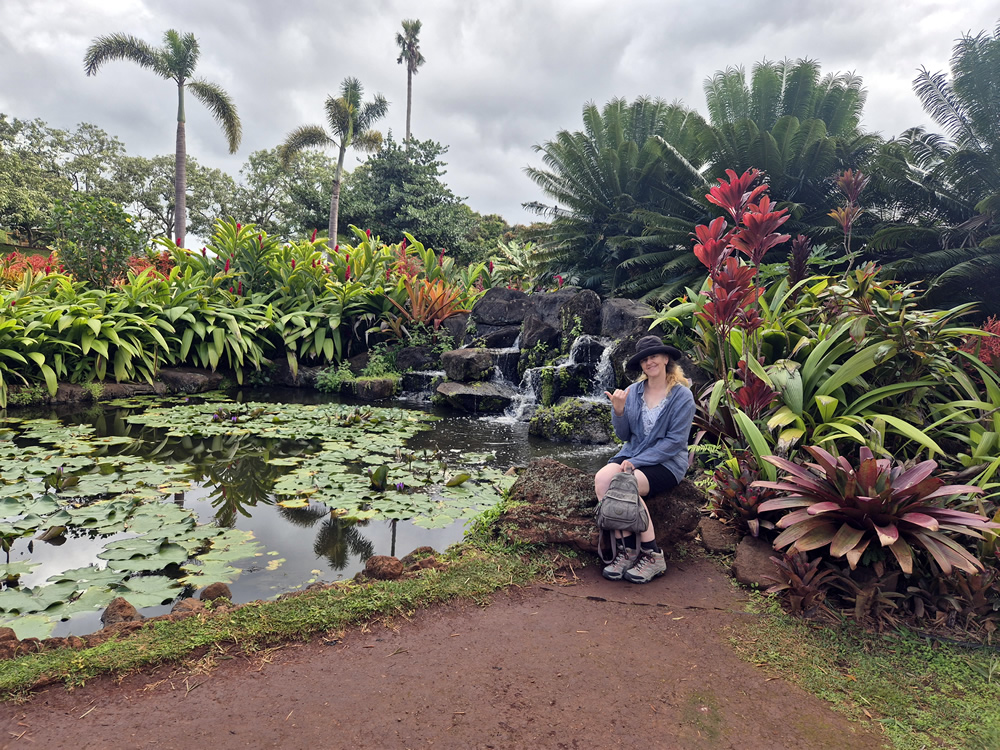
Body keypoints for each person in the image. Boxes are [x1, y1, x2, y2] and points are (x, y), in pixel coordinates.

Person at [595, 335, 695, 583]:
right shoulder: (632, 391)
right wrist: (618, 410)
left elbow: (675, 442)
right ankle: (627, 551)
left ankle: (652, 555)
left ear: (665, 358)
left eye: (653, 356)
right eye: (644, 359)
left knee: (625, 484)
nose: (649, 362)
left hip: (668, 463)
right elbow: (624, 434)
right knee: (602, 479)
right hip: (632, 454)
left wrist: (638, 462)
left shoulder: (682, 396)